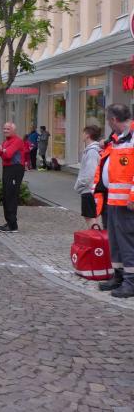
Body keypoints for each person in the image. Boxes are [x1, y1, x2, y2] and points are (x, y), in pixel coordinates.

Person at [93, 104, 134, 298]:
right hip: (113, 200)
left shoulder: (131, 138)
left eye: (109, 120)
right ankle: (118, 276)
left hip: (127, 202)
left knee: (127, 242)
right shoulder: (118, 139)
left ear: (114, 120)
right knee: (115, 241)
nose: (108, 124)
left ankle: (131, 282)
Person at [0, 122, 25, 233]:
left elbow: (8, 155)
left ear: (13, 130)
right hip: (8, 169)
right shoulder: (6, 141)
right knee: (6, 196)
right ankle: (9, 222)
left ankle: (13, 225)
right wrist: (2, 150)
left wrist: (2, 150)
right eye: (4, 128)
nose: (5, 130)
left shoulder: (17, 141)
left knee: (11, 196)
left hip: (15, 169)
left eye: (8, 129)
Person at [75, 124, 102, 230]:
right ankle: (97, 237)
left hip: (89, 189)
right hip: (92, 189)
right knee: (93, 217)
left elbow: (90, 173)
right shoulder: (93, 150)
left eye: (83, 133)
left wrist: (79, 185)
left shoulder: (91, 152)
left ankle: (95, 238)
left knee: (90, 217)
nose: (82, 135)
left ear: (87, 135)